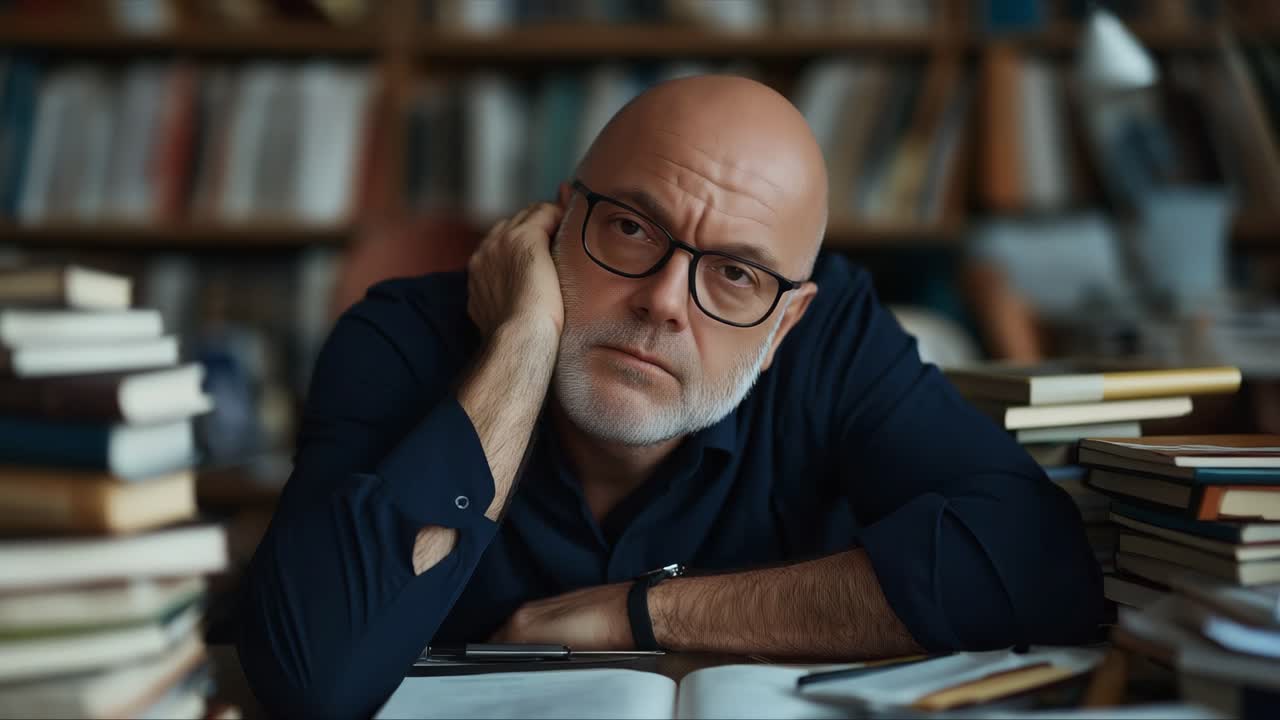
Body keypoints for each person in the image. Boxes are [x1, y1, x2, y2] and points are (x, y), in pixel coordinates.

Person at [237, 75, 1103, 719]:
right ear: (556, 221)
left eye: (733, 273)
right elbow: (313, 676)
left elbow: (1036, 562)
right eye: (629, 228)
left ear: (788, 319)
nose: (662, 300)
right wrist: (523, 341)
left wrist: (642, 614)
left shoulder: (831, 341)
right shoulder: (403, 339)